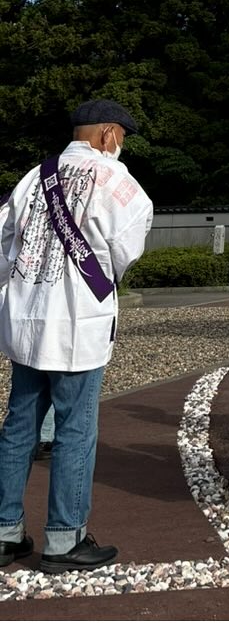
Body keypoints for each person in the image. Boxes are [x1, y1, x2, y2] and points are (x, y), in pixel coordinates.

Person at [0, 100, 153, 571]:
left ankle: (5, 531)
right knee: (76, 430)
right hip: (77, 322)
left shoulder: (33, 177)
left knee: (18, 426)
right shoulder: (120, 184)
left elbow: (4, 242)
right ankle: (65, 538)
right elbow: (128, 248)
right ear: (108, 135)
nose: (121, 145)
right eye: (121, 137)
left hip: (26, 320)